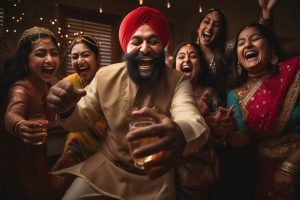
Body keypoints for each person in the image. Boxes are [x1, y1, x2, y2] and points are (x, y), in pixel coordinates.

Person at [47, 6, 209, 200]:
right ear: (126, 47)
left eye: (153, 41)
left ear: (163, 46)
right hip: (107, 168)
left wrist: (180, 133)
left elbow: (191, 118)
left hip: (156, 175)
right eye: (136, 41)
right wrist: (66, 109)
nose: (145, 48)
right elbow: (80, 119)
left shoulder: (177, 80)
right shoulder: (105, 76)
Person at [227, 23, 300, 200]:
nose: (247, 45)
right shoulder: (235, 95)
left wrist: (291, 163)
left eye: (255, 39)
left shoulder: (295, 73)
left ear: (271, 48)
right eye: (241, 42)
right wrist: (225, 130)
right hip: (268, 175)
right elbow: (243, 140)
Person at [0, 26, 60, 200]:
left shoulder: (49, 83)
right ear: (26, 62)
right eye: (41, 54)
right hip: (11, 162)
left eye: (54, 53)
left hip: (34, 155)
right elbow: (12, 113)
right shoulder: (22, 87)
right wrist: (20, 125)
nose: (50, 60)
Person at [172, 41, 235, 199]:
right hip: (169, 168)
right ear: (174, 66)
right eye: (181, 56)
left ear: (199, 67)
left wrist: (220, 127)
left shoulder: (209, 93)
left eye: (193, 56)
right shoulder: (166, 92)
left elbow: (221, 137)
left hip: (199, 173)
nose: (186, 59)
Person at [194, 0, 278, 103]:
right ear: (198, 28)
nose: (210, 27)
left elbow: (257, 39)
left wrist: (266, 13)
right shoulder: (187, 53)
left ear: (221, 32)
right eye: (206, 22)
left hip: (222, 108)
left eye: (216, 25)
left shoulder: (228, 48)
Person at [52, 35, 105, 171]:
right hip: (77, 143)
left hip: (106, 144)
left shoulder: (107, 79)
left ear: (97, 58)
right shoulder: (69, 83)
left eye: (85, 55)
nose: (80, 61)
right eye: (75, 57)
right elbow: (61, 116)